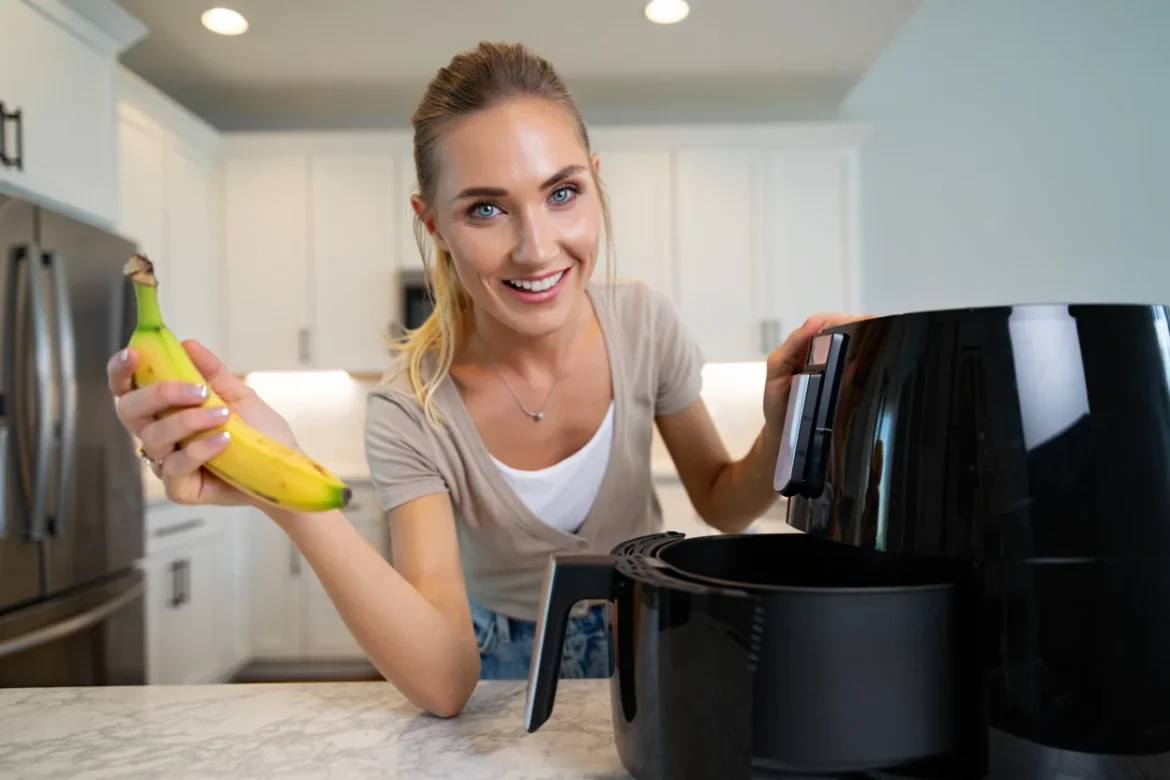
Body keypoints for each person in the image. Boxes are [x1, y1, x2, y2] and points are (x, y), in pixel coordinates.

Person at [107, 41, 868, 718]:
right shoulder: (413, 409)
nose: (537, 249)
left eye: (562, 192)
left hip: (650, 636)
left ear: (594, 184)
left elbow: (723, 503)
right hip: (504, 663)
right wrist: (295, 501)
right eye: (484, 210)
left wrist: (782, 425)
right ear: (432, 220)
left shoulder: (644, 324)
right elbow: (446, 683)